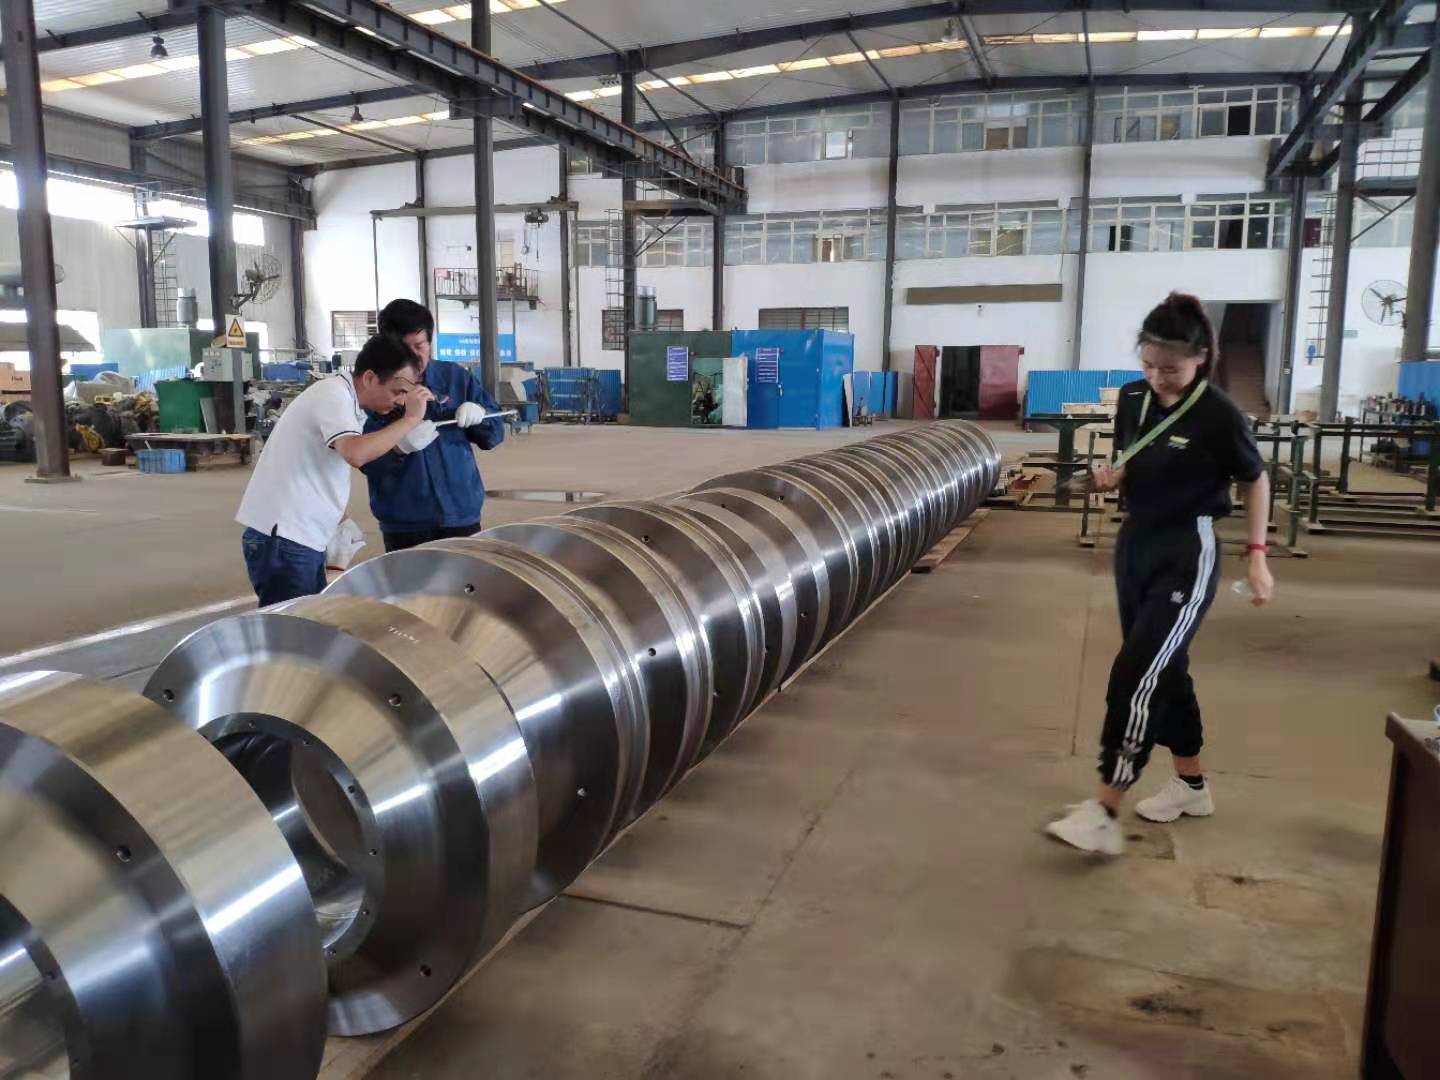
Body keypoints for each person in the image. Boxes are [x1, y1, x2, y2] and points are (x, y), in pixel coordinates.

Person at [1046, 292, 1275, 856]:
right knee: (1166, 670)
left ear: (1200, 358)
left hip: (1186, 552)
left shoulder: (1218, 414)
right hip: (1135, 546)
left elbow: (1256, 479)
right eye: (1148, 364)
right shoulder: (1132, 398)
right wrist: (1109, 477)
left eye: (1170, 368)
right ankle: (1192, 787)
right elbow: (1131, 459)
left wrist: (1257, 554)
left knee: (1135, 674)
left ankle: (1105, 809)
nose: (1157, 377)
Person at [236, 335, 433, 606]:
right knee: (295, 626)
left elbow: (314, 464)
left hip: (294, 537)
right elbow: (355, 453)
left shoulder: (347, 401)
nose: (400, 401)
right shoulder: (333, 395)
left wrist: (336, 517)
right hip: (286, 539)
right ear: (369, 378)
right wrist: (410, 420)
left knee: (306, 620)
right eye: (397, 392)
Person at [361, 299, 507, 552]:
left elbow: (495, 432)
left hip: (461, 513)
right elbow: (364, 459)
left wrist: (482, 416)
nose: (415, 356)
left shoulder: (454, 377)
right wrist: (398, 448)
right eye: (404, 349)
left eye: (420, 346)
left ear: (430, 341)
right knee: (411, 579)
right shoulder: (375, 389)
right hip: (405, 521)